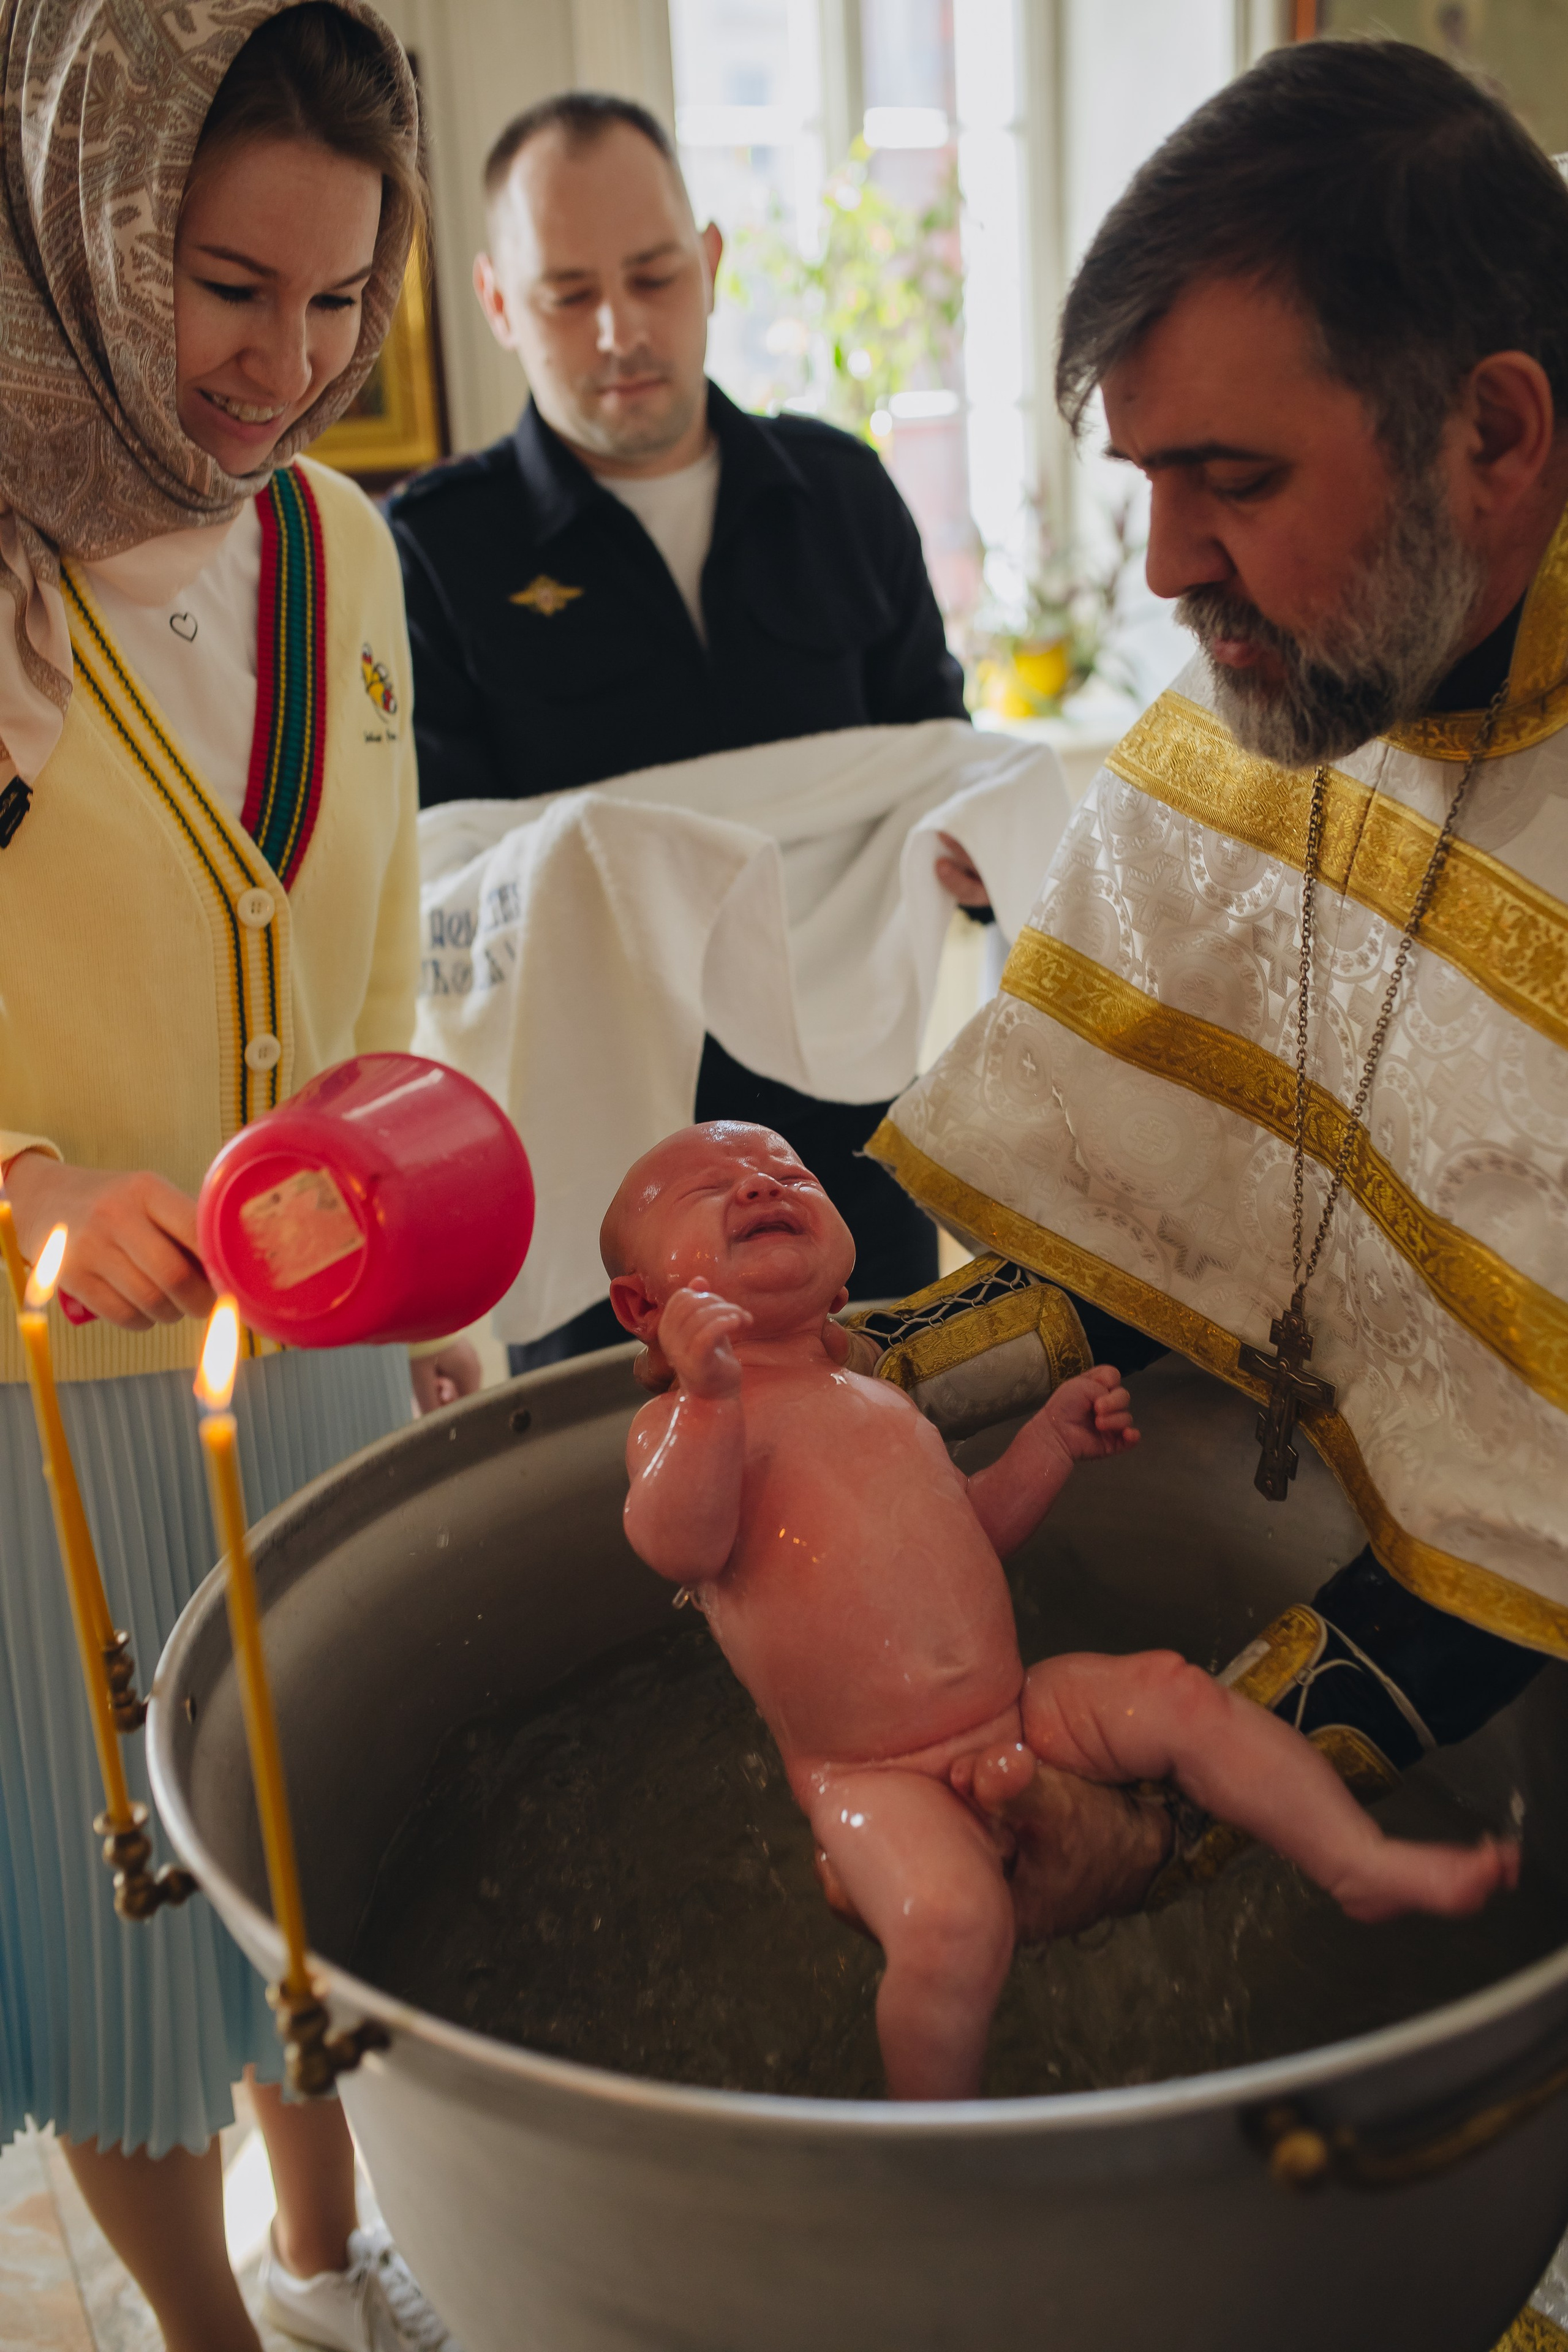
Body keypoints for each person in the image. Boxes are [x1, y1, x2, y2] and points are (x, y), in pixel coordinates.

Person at [866, 39, 1568, 1924]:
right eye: (1149, 482)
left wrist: (1170, 1792)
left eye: (1233, 478)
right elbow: (1166, 1208)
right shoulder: (1293, 655)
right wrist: (840, 1389)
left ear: (1496, 435)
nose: (1171, 568)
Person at [0, 6, 470, 2347]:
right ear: (91, 226)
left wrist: (424, 1250)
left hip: (308, 1338)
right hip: (49, 1408)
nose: (279, 361)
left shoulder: (346, 552)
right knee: (124, 1912)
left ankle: (328, 2259)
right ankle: (198, 2330)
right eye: (220, 282)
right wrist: (27, 1185)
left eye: (334, 297)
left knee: (324, 1840)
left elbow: (373, 965)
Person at [603, 1121, 1515, 2099]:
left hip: (1015, 1711)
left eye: (787, 1172)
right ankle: (934, 2144)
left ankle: (1355, 1859)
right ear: (641, 1305)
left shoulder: (877, 1398)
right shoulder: (680, 1427)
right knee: (955, 1926)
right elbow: (680, 1545)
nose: (758, 1186)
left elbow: (965, 1540)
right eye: (711, 1190)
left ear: (840, 1273)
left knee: (1177, 1696)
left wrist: (1046, 1444)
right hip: (868, 1775)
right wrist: (705, 1397)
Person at [389, 92, 987, 1370]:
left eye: (653, 276)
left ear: (708, 264)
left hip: (845, 1160)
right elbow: (439, 884)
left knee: (892, 1481)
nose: (619, 331)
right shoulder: (433, 551)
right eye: (566, 295)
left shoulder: (840, 493)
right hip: (606, 1195)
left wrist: (976, 853)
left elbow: (935, 755)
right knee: (624, 1537)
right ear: (497, 304)